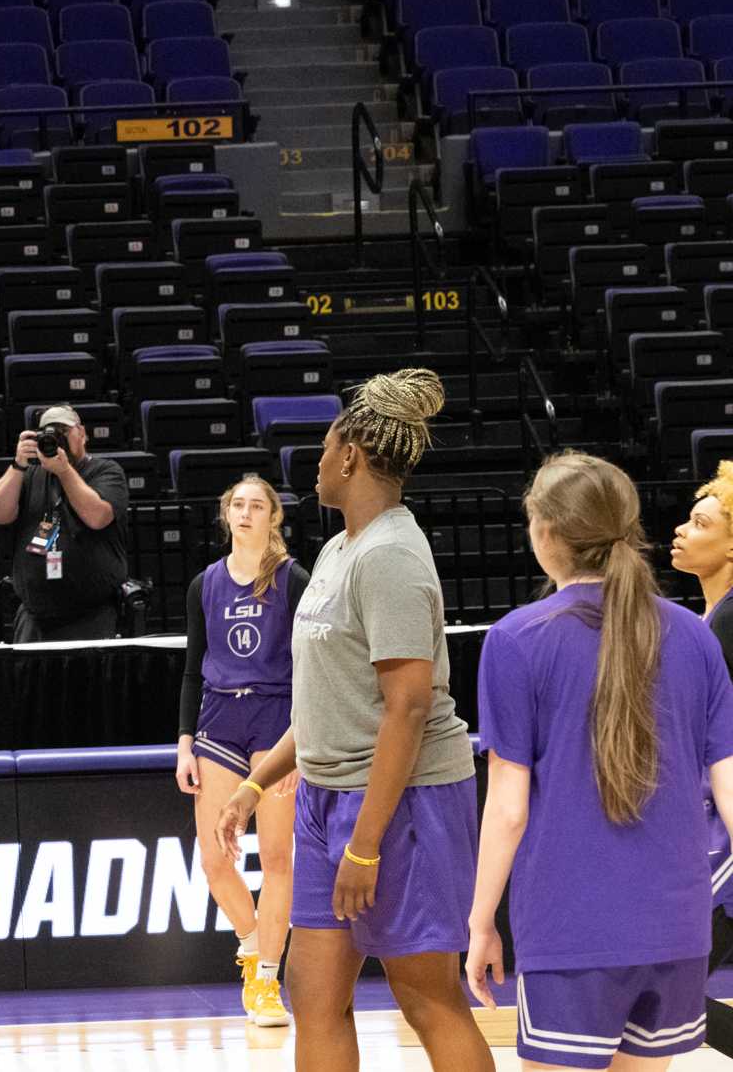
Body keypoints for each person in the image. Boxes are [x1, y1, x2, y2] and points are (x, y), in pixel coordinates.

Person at [216, 369, 492, 1072]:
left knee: (424, 993)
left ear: (352, 456)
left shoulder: (393, 553)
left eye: (324, 443)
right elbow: (324, 701)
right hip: (324, 796)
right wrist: (256, 785)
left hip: (405, 800)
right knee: (313, 993)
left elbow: (407, 704)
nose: (314, 459)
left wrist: (365, 844)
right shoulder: (339, 549)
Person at [464, 452, 733, 1072]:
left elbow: (506, 811)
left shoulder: (515, 639)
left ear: (545, 533)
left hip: (571, 932)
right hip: (678, 930)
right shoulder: (695, 634)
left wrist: (480, 923)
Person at [177, 474, 302, 1028]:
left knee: (277, 859)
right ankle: (252, 947)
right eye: (239, 506)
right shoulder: (204, 584)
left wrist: (305, 738)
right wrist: (184, 742)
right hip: (219, 720)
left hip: (277, 720)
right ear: (226, 515)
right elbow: (189, 668)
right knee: (213, 858)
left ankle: (269, 982)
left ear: (273, 517)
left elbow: (312, 663)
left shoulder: (294, 580)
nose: (247, 514)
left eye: (258, 506)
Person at [668, 460, 733, 1055]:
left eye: (699, 522)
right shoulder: (706, 619)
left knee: (670, 973)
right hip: (712, 818)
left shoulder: (730, 620)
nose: (682, 531)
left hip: (727, 826)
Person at [0, 404, 132, 641]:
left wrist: (64, 471)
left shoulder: (105, 471)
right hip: (35, 616)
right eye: (50, 433)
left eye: (64, 431)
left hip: (92, 615)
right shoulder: (29, 474)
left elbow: (97, 517)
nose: (57, 439)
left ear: (82, 433)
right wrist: (18, 464)